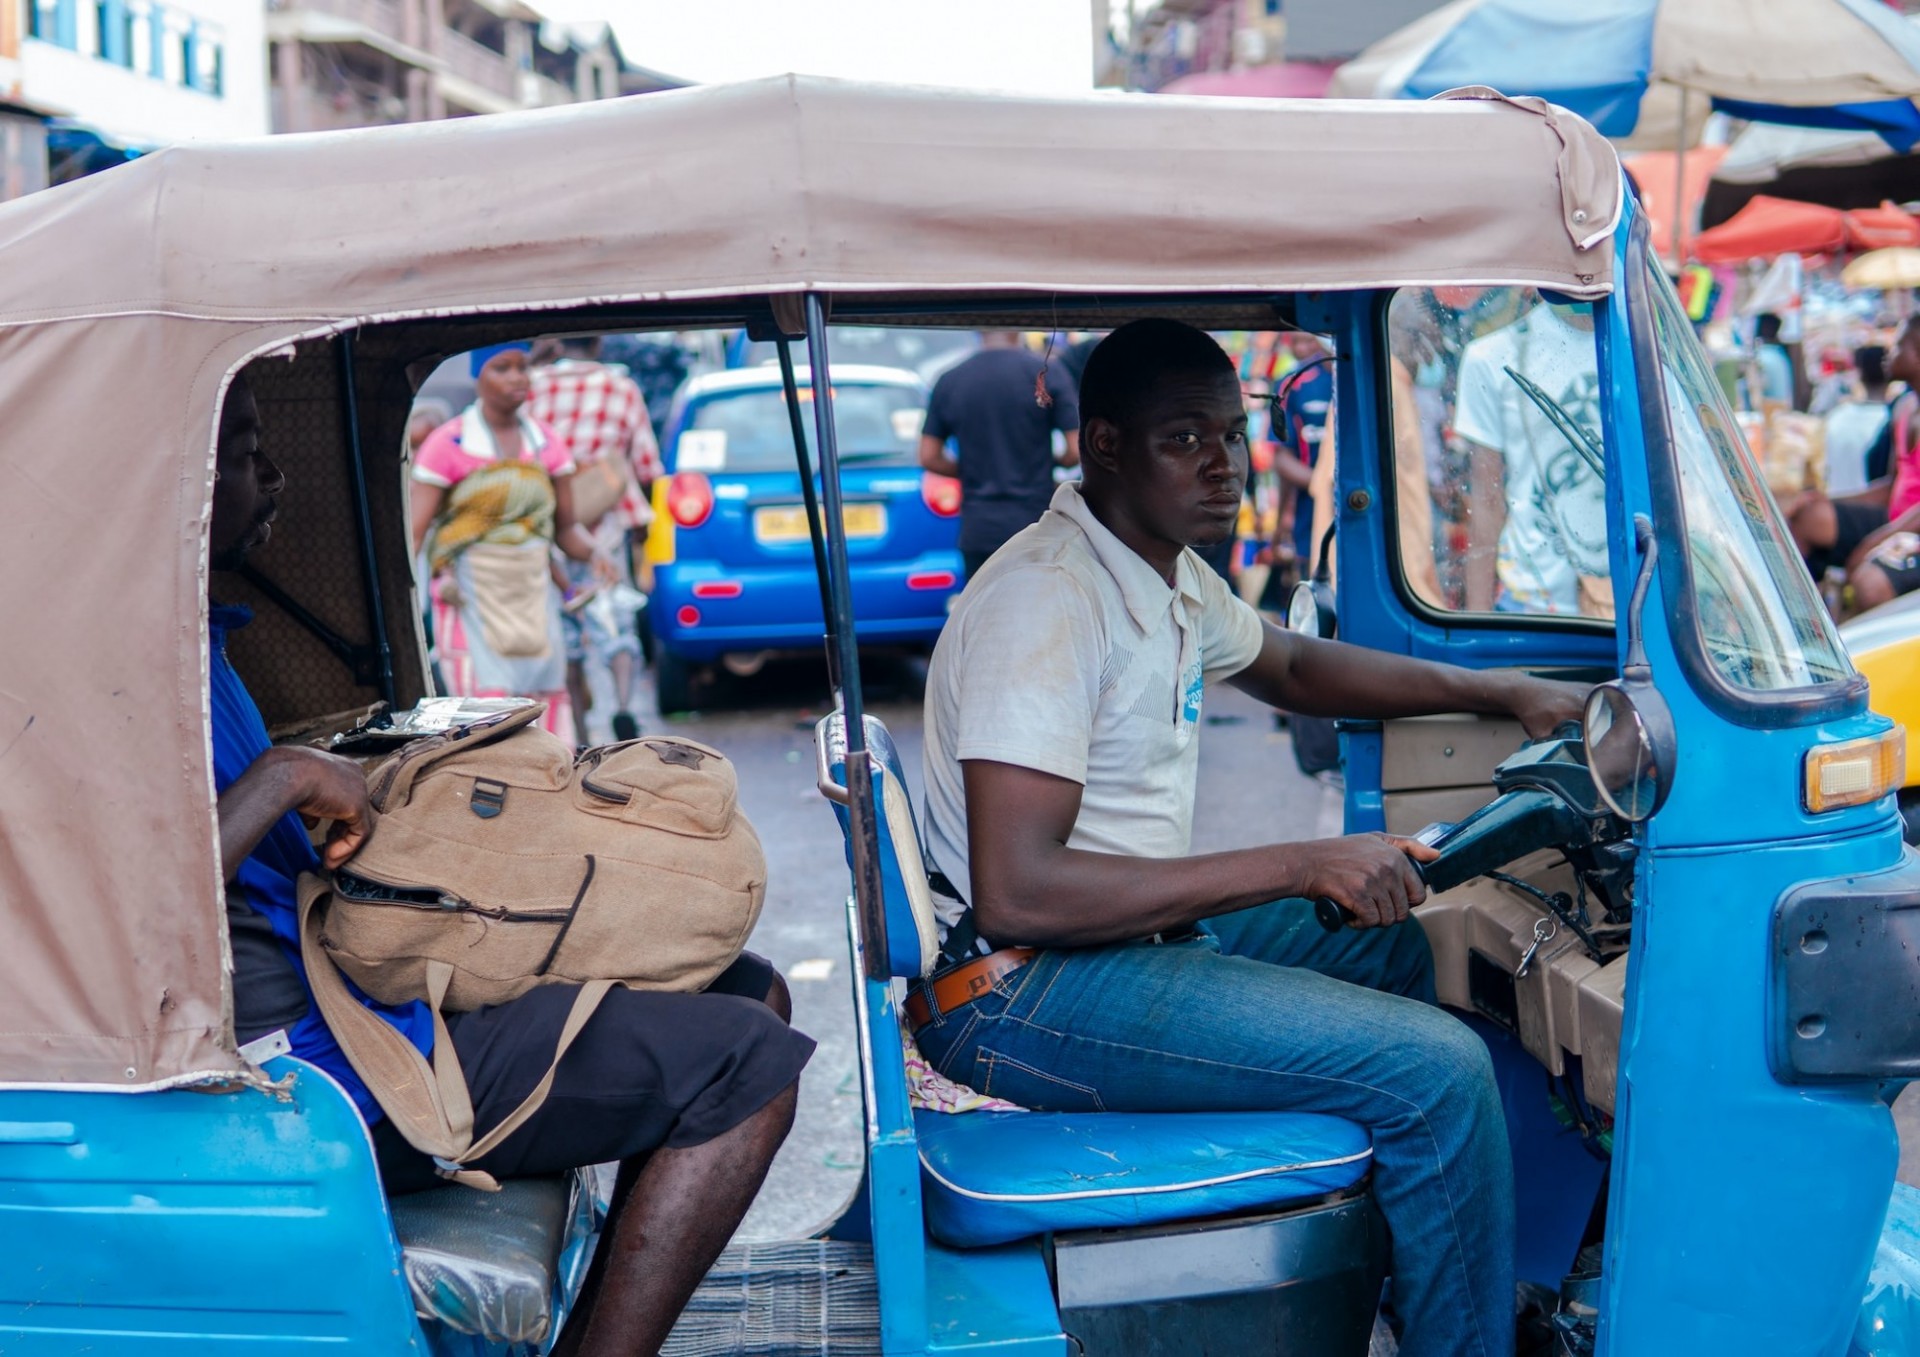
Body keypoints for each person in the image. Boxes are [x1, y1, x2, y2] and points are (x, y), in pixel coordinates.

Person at [915, 319, 1589, 1357]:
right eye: (1186, 438)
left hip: (1113, 944)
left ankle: (1443, 1275)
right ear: (1103, 445)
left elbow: (1292, 667)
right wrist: (1300, 860)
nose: (1225, 465)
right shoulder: (1048, 598)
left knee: (1401, 946)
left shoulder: (1163, 571)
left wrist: (1500, 688)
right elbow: (1022, 891)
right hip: (1022, 988)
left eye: (1233, 434)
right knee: (1440, 1072)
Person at [210, 373, 812, 1355]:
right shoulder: (120, 687)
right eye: (243, 455)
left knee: (746, 983)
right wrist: (283, 778)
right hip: (327, 1063)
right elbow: (142, 912)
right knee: (751, 1068)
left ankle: (603, 1312)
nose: (274, 476)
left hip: (362, 981)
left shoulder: (204, 644)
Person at [411, 342, 616, 736]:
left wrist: (596, 553)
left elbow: (565, 529)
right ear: (477, 377)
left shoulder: (546, 444)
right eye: (501, 368)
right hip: (468, 598)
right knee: (482, 715)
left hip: (534, 596)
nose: (517, 378)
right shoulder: (448, 445)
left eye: (522, 367)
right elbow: (416, 536)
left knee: (544, 707)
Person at [528, 335, 660, 745]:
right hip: (606, 523)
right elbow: (645, 463)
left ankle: (581, 729)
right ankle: (621, 707)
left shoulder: (534, 385)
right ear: (599, 344)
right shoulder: (620, 387)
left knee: (565, 625)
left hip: (550, 522)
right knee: (613, 619)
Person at [1453, 300, 1611, 618]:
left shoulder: (1644, 348)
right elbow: (1486, 500)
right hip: (1532, 608)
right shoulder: (1493, 357)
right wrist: (1480, 630)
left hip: (1640, 606)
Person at [917, 332, 1081, 579]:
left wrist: (974, 469)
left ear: (978, 330)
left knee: (984, 612)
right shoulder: (1046, 373)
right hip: (1037, 525)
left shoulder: (950, 379)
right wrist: (1045, 463)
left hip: (979, 530)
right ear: (1019, 329)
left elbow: (929, 456)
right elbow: (1074, 450)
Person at [1790, 319, 1920, 610]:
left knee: (1870, 583)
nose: (1890, 352)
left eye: (1900, 346)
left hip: (1910, 529)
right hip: (1896, 519)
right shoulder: (1905, 407)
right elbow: (1891, 486)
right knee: (1808, 516)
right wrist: (1826, 499)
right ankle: (1805, 618)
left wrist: (1877, 541)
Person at [1822, 345, 1892, 498]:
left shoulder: (1837, 416)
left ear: (1859, 373)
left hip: (1837, 507)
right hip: (1870, 514)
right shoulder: (1890, 421)